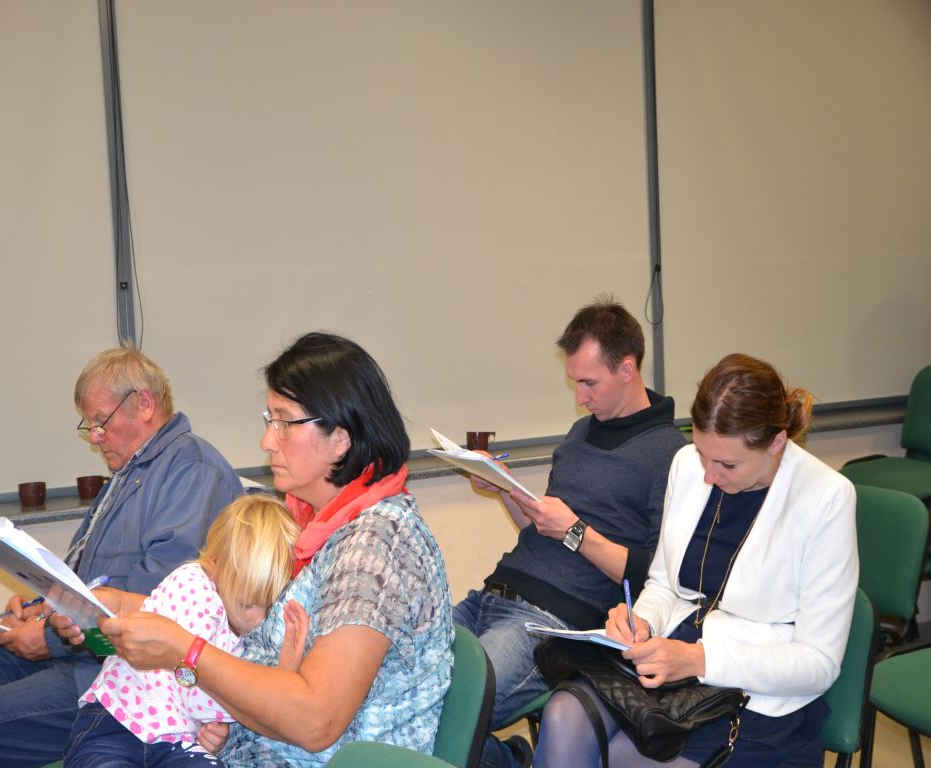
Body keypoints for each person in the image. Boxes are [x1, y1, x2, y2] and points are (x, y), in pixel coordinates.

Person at [53, 331, 454, 767]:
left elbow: (316, 721)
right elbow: (229, 606)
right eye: (270, 420)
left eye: (284, 422)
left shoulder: (376, 545)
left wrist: (186, 652)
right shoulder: (309, 522)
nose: (267, 441)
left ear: (340, 438)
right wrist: (120, 607)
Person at [0, 346, 244, 768]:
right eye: (90, 426)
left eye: (101, 422)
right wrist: (38, 607)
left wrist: (49, 637)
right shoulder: (128, 474)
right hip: (72, 648)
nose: (95, 437)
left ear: (144, 404)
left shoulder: (192, 471)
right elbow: (84, 579)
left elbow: (158, 607)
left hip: (119, 677)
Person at [534, 353, 859, 768]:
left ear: (776, 443)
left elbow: (818, 662)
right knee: (564, 715)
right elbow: (664, 583)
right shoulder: (686, 465)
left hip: (754, 693)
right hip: (671, 658)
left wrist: (698, 659)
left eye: (727, 464)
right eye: (704, 454)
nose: (709, 475)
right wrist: (641, 620)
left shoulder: (826, 498)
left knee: (616, 759)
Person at [452, 297, 686, 767]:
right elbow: (545, 530)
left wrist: (575, 530)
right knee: (398, 687)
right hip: (491, 597)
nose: (580, 396)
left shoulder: (672, 456)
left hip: (550, 624)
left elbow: (654, 576)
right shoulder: (581, 432)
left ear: (627, 369)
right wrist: (506, 491)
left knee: (444, 717)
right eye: (575, 382)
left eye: (588, 383)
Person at [65, 495, 306, 767]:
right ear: (214, 567)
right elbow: (193, 686)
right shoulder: (195, 586)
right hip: (116, 722)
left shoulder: (239, 628)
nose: (259, 620)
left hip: (175, 742)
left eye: (269, 607)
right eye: (248, 604)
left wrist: (215, 733)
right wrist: (279, 679)